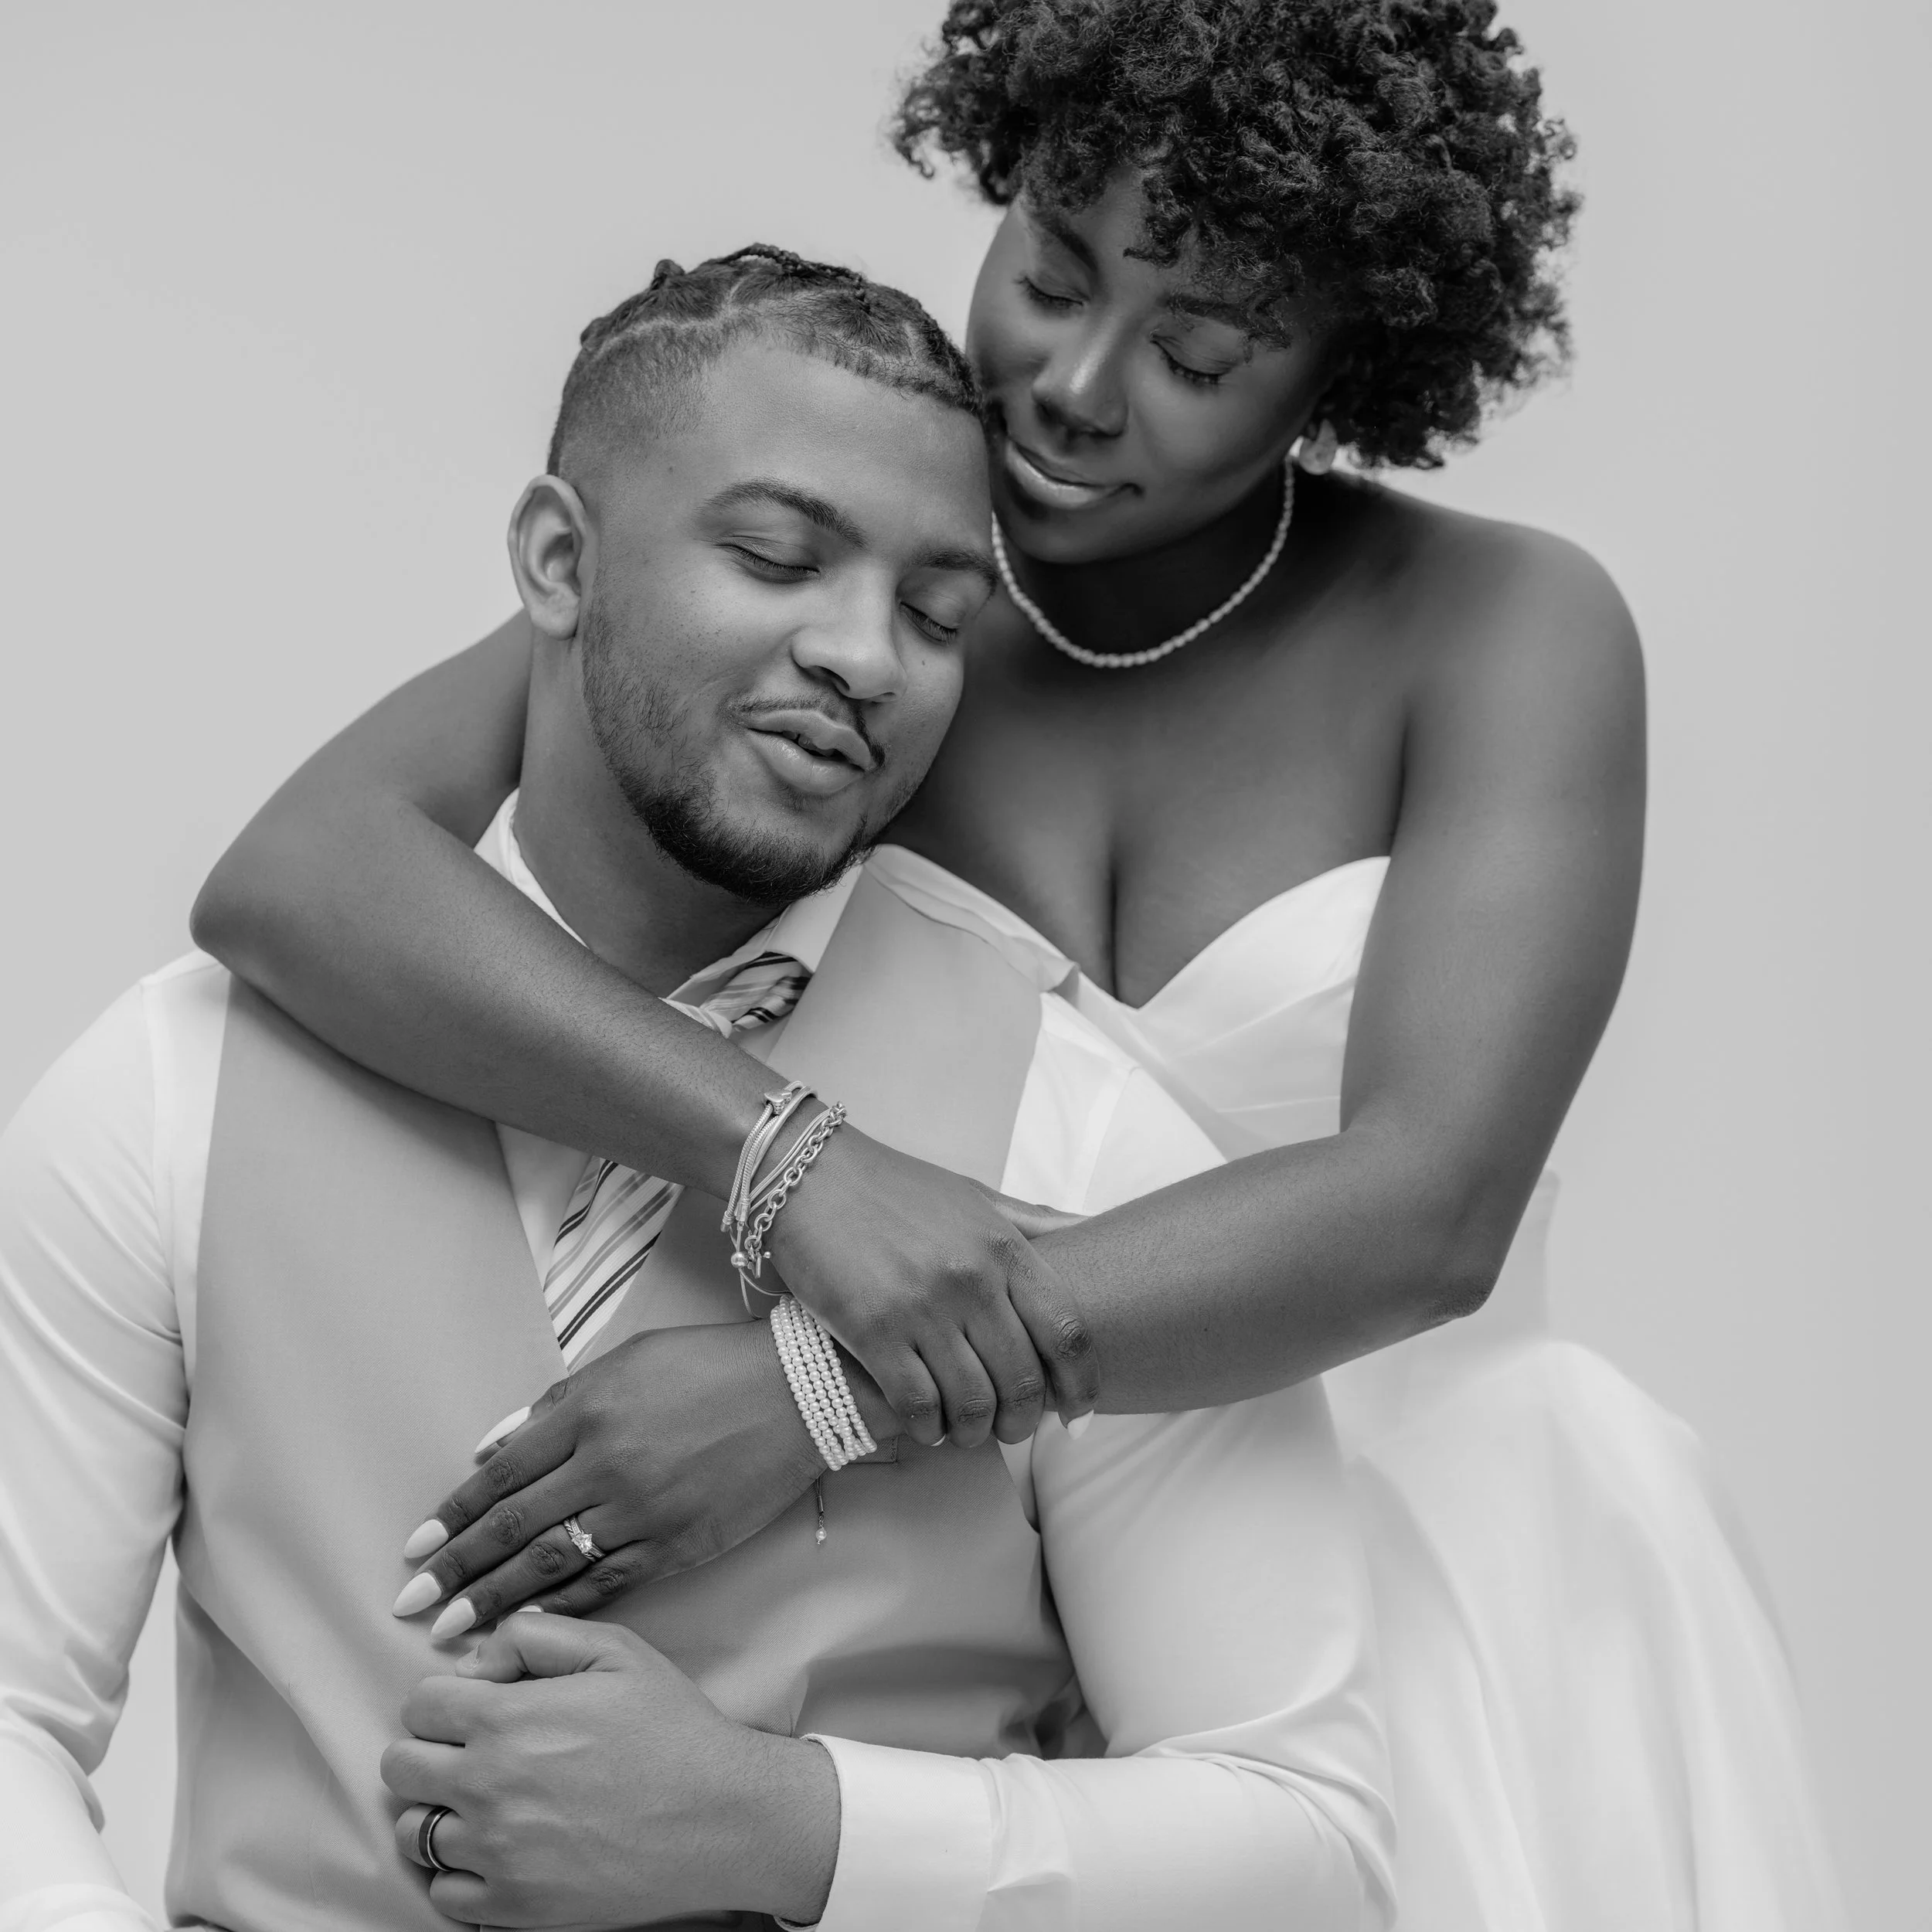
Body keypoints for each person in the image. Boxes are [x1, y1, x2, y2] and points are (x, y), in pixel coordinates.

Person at [190, 2, 1848, 1927]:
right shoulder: (863, 631)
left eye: (1201, 352)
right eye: (1050, 270)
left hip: (1460, 1566)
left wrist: (818, 1390)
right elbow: (302, 872)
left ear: (1351, 360)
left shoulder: (1503, 626)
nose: (1069, 384)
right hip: (1011, 1585)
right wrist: (779, 1154)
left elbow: (1425, 1208)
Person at [0, 252, 1395, 1932]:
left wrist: (791, 1827)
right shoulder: (172, 1081)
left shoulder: (1074, 1125)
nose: (868, 656)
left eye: (940, 613)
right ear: (557, 559)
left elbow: (1311, 1843)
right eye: (778, 555)